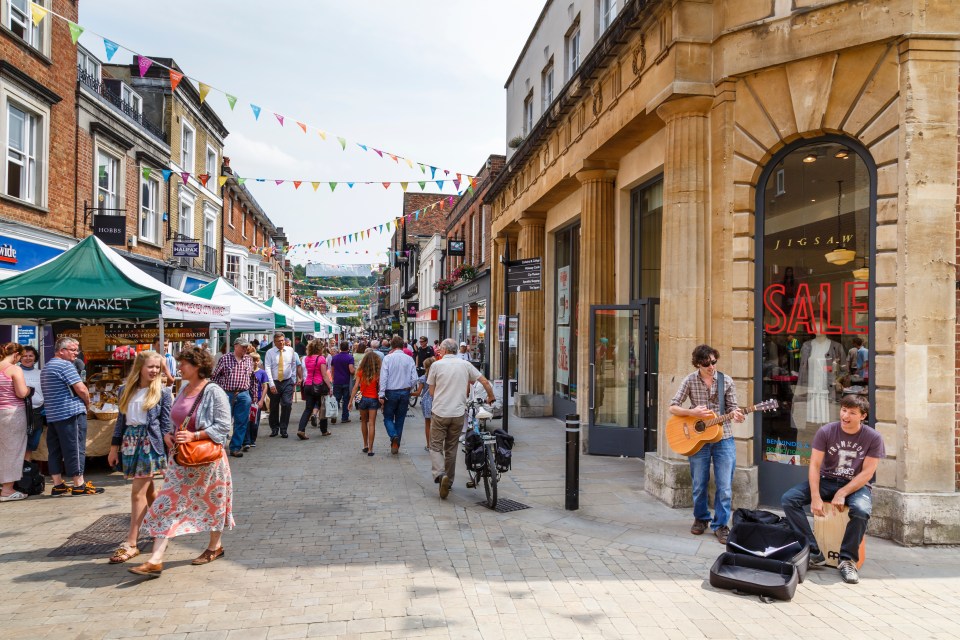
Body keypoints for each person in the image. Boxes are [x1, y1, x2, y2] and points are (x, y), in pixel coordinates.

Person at [129, 345, 235, 579]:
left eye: (183, 364)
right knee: (166, 504)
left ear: (197, 367)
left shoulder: (213, 391)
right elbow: (173, 418)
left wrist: (195, 435)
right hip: (180, 460)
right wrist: (169, 434)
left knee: (214, 503)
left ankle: (214, 546)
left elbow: (223, 426)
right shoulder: (183, 388)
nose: (179, 367)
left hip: (207, 460)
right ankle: (156, 559)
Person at [781, 395, 883, 585]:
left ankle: (847, 560)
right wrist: (815, 496)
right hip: (826, 480)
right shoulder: (826, 431)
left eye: (852, 413)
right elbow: (814, 465)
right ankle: (813, 551)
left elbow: (868, 473)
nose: (845, 415)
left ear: (863, 416)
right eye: (844, 410)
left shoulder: (873, 437)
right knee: (789, 499)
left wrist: (843, 492)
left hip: (855, 485)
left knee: (861, 511)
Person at [668, 344, 744, 544]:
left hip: (723, 438)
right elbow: (673, 407)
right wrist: (692, 413)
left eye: (713, 362)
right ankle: (701, 519)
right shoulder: (690, 380)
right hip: (698, 440)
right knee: (699, 484)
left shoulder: (725, 380)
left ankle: (721, 525)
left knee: (725, 486)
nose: (711, 366)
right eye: (706, 363)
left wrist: (736, 415)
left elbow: (733, 408)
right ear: (698, 364)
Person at [106, 351, 173, 564]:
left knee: (138, 493)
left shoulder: (162, 393)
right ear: (140, 368)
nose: (154, 371)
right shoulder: (124, 390)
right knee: (149, 491)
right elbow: (120, 420)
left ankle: (131, 542)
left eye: (158, 367)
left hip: (150, 443)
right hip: (129, 442)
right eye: (151, 367)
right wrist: (114, 447)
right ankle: (162, 527)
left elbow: (166, 426)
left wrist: (168, 453)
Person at [428, 339, 495, 499]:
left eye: (440, 349)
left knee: (436, 446)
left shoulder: (436, 365)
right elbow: (484, 381)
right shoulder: (465, 364)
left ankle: (440, 474)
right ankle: (449, 481)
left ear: (443, 350)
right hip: (458, 413)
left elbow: (431, 392)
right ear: (456, 350)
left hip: (440, 412)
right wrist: (491, 396)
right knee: (451, 448)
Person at [41, 337, 100, 496]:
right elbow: (82, 389)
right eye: (73, 350)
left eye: (77, 350)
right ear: (61, 350)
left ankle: (58, 484)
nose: (76, 353)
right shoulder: (65, 365)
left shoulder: (47, 366)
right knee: (75, 448)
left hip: (53, 414)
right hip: (70, 412)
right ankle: (78, 484)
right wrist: (87, 404)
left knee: (55, 450)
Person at [210, 338, 256, 458]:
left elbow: (252, 379)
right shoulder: (225, 358)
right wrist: (219, 391)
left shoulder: (249, 360)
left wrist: (254, 396)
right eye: (243, 347)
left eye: (246, 347)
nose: (245, 349)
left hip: (243, 394)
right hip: (227, 393)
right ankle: (220, 447)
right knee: (223, 421)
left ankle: (235, 448)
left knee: (241, 422)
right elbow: (215, 376)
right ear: (236, 346)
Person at [0, 343, 30, 502]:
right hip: (12, 413)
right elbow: (21, 392)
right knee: (13, 450)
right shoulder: (14, 369)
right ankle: (7, 489)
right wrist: (29, 391)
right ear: (16, 354)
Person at [378, 336, 419, 455]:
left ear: (392, 346)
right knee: (400, 419)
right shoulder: (409, 359)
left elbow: (384, 377)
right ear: (402, 346)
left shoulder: (388, 359)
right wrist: (409, 387)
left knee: (388, 418)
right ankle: (396, 444)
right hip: (404, 392)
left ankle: (393, 436)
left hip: (390, 392)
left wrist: (381, 394)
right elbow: (415, 378)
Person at [264, 332, 303, 438]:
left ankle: (284, 428)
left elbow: (294, 364)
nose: (281, 343)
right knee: (274, 406)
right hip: (275, 381)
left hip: (287, 381)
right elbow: (267, 368)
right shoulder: (270, 353)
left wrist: (294, 379)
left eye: (282, 340)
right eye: (278, 341)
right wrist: (271, 384)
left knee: (287, 404)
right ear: (274, 342)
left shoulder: (290, 350)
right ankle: (274, 428)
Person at [297, 339, 332, 439]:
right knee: (322, 407)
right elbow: (324, 375)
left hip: (307, 384)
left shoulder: (307, 358)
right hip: (318, 386)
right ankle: (324, 430)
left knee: (308, 408)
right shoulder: (321, 359)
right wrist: (330, 387)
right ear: (319, 348)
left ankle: (301, 429)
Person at [349, 350, 381, 456]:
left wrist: (350, 401)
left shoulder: (360, 371)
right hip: (373, 399)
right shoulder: (377, 372)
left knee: (363, 422)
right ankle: (371, 449)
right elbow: (380, 387)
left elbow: (355, 387)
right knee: (372, 423)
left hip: (362, 399)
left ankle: (365, 445)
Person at [19, 346, 44, 462]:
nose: (27, 358)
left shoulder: (41, 373)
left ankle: (26, 469)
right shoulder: (15, 372)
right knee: (18, 442)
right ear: (19, 357)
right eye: (24, 355)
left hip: (37, 412)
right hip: (19, 411)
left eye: (30, 355)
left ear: (35, 358)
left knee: (32, 443)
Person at [243, 353, 269, 452]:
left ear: (258, 361)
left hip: (256, 400)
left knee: (254, 421)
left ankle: (253, 438)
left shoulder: (262, 373)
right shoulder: (245, 371)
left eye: (256, 360)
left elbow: (265, 387)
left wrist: (262, 400)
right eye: (252, 360)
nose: (254, 362)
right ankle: (247, 440)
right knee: (246, 420)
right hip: (246, 399)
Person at [412, 356, 436, 452]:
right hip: (437, 400)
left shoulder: (423, 378)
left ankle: (428, 445)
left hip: (427, 401)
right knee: (437, 424)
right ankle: (437, 445)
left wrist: (408, 393)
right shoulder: (438, 376)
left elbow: (418, 393)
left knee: (428, 424)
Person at [330, 341, 355, 425]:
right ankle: (344, 417)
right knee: (346, 400)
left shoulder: (335, 357)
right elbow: (351, 370)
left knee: (336, 399)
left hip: (337, 381)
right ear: (348, 348)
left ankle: (333, 415)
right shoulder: (350, 357)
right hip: (346, 381)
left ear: (340, 348)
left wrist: (333, 378)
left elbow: (332, 370)